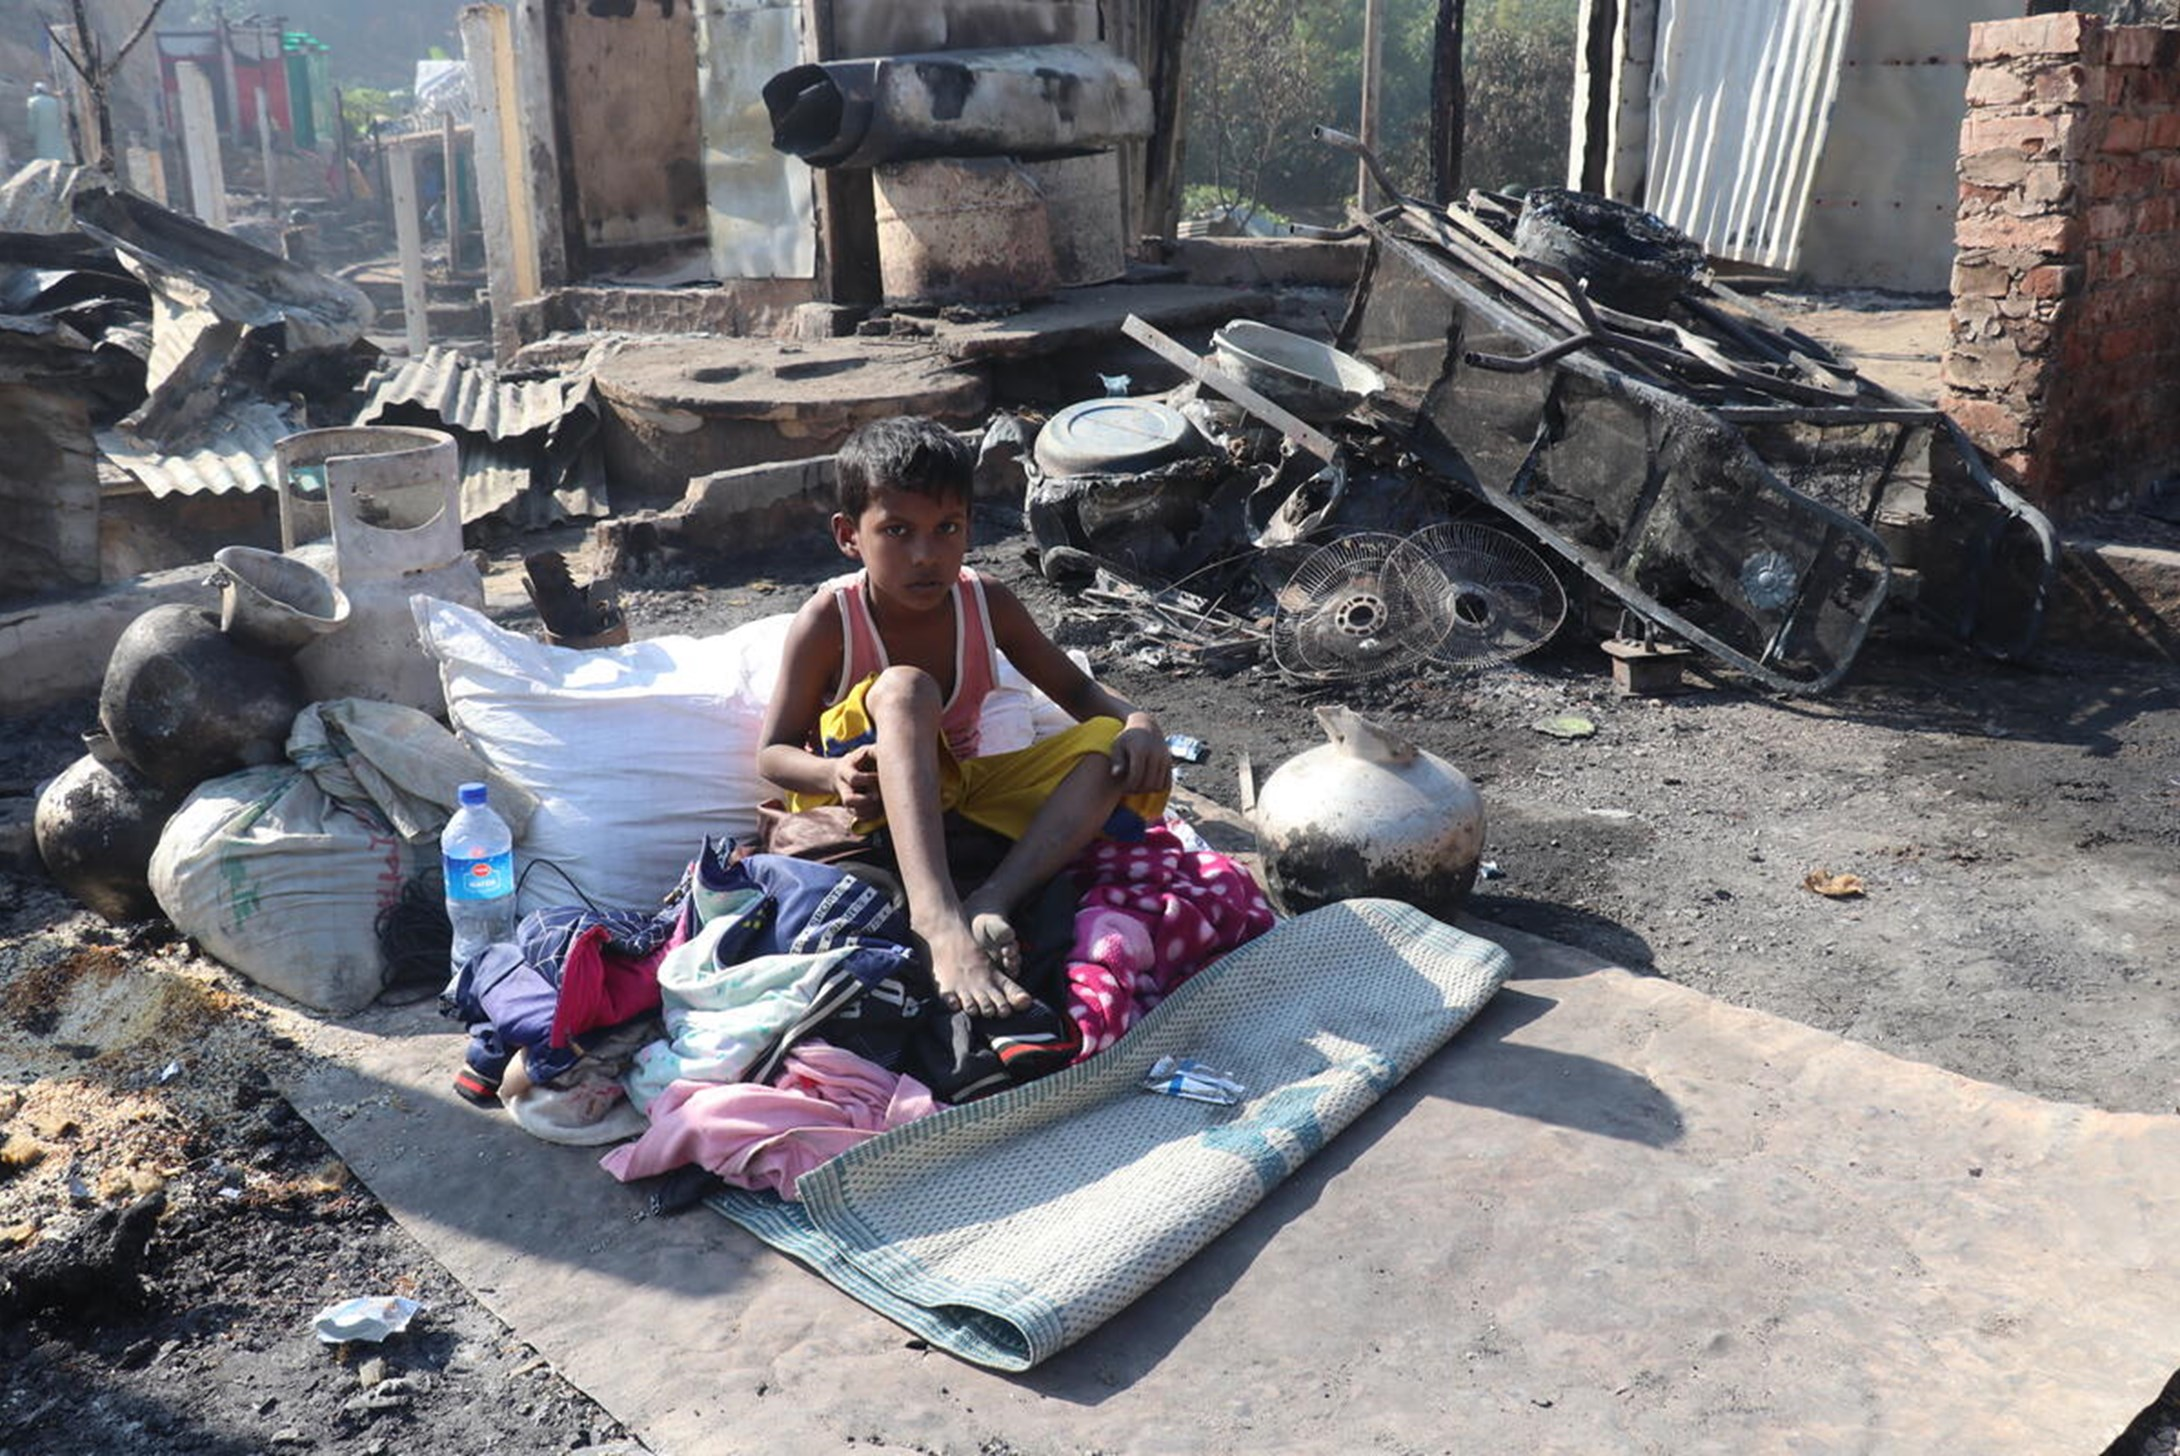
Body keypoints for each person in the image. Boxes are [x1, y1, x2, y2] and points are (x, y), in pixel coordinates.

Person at [758, 416, 1173, 1022]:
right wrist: (832, 775)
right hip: (864, 796)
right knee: (904, 689)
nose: (926, 555)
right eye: (896, 531)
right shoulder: (830, 619)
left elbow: (1077, 690)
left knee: (1110, 742)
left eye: (946, 528)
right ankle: (936, 918)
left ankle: (992, 896)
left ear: (969, 528)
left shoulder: (986, 602)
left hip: (961, 790)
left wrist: (1141, 721)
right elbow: (772, 754)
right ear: (850, 536)